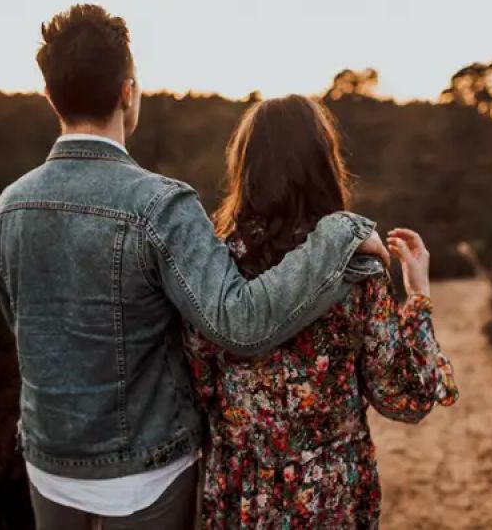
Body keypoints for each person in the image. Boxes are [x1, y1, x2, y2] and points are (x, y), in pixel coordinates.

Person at [0, 5, 387, 530]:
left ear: (49, 96)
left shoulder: (10, 205)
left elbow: (21, 323)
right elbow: (238, 324)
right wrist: (339, 233)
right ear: (129, 92)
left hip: (49, 462)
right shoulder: (161, 205)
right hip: (147, 467)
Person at [184, 95, 459, 529]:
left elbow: (196, 387)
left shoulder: (215, 269)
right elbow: (406, 399)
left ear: (246, 168)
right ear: (323, 166)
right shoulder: (358, 270)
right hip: (331, 497)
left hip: (243, 496)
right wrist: (418, 294)